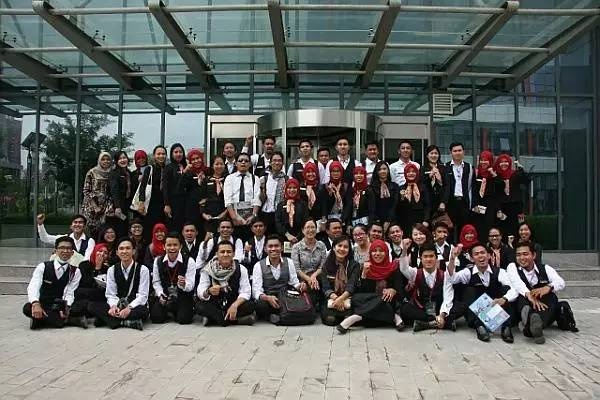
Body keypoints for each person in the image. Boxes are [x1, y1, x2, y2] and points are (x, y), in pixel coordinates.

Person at [446, 242, 518, 343]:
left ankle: (506, 327)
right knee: (469, 290)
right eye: (476, 254)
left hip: (496, 309)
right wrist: (452, 259)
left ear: (489, 256)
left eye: (483, 253)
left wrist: (504, 299)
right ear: (472, 259)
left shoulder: (500, 272)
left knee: (506, 289)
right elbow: (452, 279)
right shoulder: (468, 272)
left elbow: (514, 289)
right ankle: (479, 326)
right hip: (476, 314)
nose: (480, 256)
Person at [336, 239, 407, 333]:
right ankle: (393, 316)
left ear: (386, 253)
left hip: (388, 301)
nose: (377, 254)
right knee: (356, 298)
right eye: (374, 251)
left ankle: (356, 317)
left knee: (386, 299)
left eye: (381, 251)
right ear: (370, 253)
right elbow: (363, 293)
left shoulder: (393, 268)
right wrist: (364, 275)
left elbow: (401, 293)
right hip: (377, 304)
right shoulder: (367, 267)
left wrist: (393, 290)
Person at [507, 241, 566, 344]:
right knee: (521, 296)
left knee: (551, 297)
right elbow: (517, 282)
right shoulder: (512, 267)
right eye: (518, 255)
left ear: (534, 255)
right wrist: (529, 295)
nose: (522, 258)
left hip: (541, 303)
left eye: (525, 254)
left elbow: (561, 282)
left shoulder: (545, 268)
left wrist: (548, 287)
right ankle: (531, 321)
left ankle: (532, 327)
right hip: (524, 302)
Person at [398, 240, 462, 331]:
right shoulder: (415, 273)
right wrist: (404, 250)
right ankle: (443, 323)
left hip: (440, 309)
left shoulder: (445, 275)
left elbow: (448, 297)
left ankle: (427, 324)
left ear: (436, 258)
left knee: (461, 306)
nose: (428, 259)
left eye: (431, 256)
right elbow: (403, 269)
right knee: (405, 309)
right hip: (422, 310)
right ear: (421, 258)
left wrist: (442, 315)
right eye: (425, 256)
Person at [88, 237, 150, 330]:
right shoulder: (112, 270)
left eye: (128, 248)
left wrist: (129, 308)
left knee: (143, 310)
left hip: (134, 306)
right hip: (118, 305)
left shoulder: (143, 269)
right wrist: (113, 307)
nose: (124, 251)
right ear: (117, 252)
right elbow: (111, 294)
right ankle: (125, 322)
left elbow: (143, 295)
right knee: (92, 306)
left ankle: (110, 321)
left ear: (133, 251)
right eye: (121, 248)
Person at [23, 236, 82, 329]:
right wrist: (35, 303)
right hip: (43, 303)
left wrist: (65, 307)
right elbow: (34, 286)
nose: (65, 251)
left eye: (68, 248)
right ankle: (61, 320)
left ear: (72, 252)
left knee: (78, 308)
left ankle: (39, 319)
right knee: (27, 308)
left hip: (59, 304)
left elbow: (70, 292)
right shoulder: (43, 266)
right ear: (56, 250)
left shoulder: (75, 271)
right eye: (62, 248)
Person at [196, 241, 255, 326]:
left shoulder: (241, 269)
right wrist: (209, 291)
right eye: (222, 252)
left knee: (250, 305)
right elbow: (200, 291)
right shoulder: (207, 269)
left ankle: (214, 319)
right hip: (215, 304)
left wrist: (234, 305)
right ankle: (235, 320)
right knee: (199, 306)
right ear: (217, 254)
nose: (226, 254)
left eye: (229, 252)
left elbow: (246, 292)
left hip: (233, 301)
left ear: (233, 254)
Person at [252, 235, 307, 324]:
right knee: (260, 305)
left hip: (286, 298)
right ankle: (278, 316)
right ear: (265, 249)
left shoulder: (289, 262)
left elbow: (294, 282)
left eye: (276, 246)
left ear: (281, 248)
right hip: (268, 299)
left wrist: (301, 286)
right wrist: (267, 298)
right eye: (270, 246)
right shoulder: (258, 265)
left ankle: (278, 317)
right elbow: (256, 291)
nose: (273, 249)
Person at [150, 233, 197, 325]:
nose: (172, 248)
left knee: (184, 319)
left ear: (180, 246)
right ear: (164, 246)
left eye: (175, 245)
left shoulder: (189, 261)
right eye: (169, 245)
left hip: (182, 296)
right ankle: (170, 311)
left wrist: (184, 284)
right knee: (156, 318)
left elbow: (191, 285)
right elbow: (156, 282)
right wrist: (160, 294)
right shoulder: (158, 261)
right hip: (165, 296)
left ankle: (177, 311)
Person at [320, 236, 361, 326]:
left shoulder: (354, 265)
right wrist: (336, 299)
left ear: (349, 250)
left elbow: (351, 286)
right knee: (330, 320)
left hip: (349, 298)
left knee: (353, 321)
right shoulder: (326, 265)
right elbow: (326, 287)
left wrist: (341, 298)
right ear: (334, 247)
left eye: (346, 247)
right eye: (339, 246)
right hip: (331, 298)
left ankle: (345, 316)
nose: (342, 249)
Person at [223, 152, 262, 242]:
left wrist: (253, 216)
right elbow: (228, 200)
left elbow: (257, 199)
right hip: (234, 217)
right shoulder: (230, 178)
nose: (243, 162)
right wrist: (234, 217)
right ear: (236, 163)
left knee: (249, 243)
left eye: (246, 161)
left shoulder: (255, 178)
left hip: (250, 218)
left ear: (250, 164)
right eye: (240, 161)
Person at [291, 219, 327, 308]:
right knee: (310, 290)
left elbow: (323, 265)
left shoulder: (321, 245)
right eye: (307, 227)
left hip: (319, 277)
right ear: (303, 230)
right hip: (303, 279)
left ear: (316, 229)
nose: (310, 230)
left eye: (313, 227)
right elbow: (297, 269)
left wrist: (314, 276)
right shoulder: (296, 247)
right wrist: (309, 279)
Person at [442, 142, 474, 239]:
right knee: (449, 229)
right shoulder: (445, 167)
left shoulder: (469, 167)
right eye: (455, 151)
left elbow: (472, 187)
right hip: (450, 202)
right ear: (451, 153)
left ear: (463, 152)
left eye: (459, 150)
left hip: (464, 202)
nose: (457, 153)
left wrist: (472, 204)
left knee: (464, 229)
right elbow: (444, 187)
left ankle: (462, 247)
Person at [71, 243, 110, 322]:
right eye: (100, 251)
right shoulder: (84, 265)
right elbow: (86, 283)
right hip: (85, 294)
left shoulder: (107, 269)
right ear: (94, 251)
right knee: (81, 293)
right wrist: (97, 268)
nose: (102, 254)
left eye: (105, 253)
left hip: (98, 296)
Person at [494, 154, 531, 238]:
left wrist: (521, 170)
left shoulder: (515, 174)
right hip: (501, 208)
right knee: (502, 230)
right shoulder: (496, 175)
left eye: (506, 162)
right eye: (501, 162)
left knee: (515, 230)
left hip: (515, 207)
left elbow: (526, 181)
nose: (504, 164)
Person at [138, 145, 167, 242]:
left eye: (163, 154)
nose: (161, 156)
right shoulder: (149, 169)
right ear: (154, 156)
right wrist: (141, 201)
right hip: (151, 205)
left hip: (164, 205)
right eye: (158, 154)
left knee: (162, 230)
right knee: (150, 230)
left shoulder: (168, 169)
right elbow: (142, 186)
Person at [81, 151, 113, 235]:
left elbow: (112, 191)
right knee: (90, 231)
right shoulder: (92, 172)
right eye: (103, 159)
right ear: (99, 160)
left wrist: (109, 206)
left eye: (108, 159)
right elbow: (86, 190)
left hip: (105, 207)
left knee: (103, 232)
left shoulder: (112, 173)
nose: (106, 161)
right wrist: (95, 206)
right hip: (91, 206)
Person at [471, 150, 499, 237]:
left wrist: (493, 174)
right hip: (478, 205)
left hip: (490, 207)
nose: (483, 162)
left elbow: (500, 187)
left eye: (486, 160)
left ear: (490, 161)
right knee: (478, 228)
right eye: (481, 160)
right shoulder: (476, 173)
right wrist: (474, 204)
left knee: (489, 228)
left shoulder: (495, 173)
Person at [178, 148, 208, 230]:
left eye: (198, 158)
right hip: (192, 208)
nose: (196, 161)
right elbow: (180, 187)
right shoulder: (188, 174)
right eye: (193, 159)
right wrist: (185, 171)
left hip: (207, 208)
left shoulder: (208, 171)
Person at [198, 155, 228, 234]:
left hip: (225, 216)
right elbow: (202, 199)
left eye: (221, 164)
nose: (219, 166)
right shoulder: (207, 180)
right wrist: (204, 214)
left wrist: (225, 213)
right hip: (209, 216)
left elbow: (231, 199)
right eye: (217, 164)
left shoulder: (228, 180)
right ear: (212, 166)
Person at [397, 163, 431, 233]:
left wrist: (426, 220)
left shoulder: (423, 187)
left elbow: (428, 205)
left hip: (420, 220)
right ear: (405, 174)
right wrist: (402, 198)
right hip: (405, 221)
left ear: (417, 173)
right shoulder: (401, 188)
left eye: (413, 171)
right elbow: (398, 207)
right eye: (408, 172)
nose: (411, 173)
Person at [259, 151, 287, 234]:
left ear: (282, 163)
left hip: (282, 215)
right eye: (274, 160)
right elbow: (260, 199)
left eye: (279, 161)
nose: (277, 163)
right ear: (270, 163)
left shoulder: (287, 179)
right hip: (266, 214)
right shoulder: (263, 179)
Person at [275, 178, 308, 246]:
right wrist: (288, 235)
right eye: (289, 188)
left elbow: (305, 222)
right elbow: (278, 222)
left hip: (300, 238)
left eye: (294, 188)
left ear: (298, 189)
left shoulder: (303, 204)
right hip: (284, 238)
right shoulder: (280, 205)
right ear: (286, 189)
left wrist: (297, 237)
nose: (292, 190)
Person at [108, 150, 133, 237]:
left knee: (125, 227)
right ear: (116, 161)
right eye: (120, 159)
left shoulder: (128, 173)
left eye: (124, 158)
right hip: (118, 207)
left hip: (127, 205)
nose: (123, 160)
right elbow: (114, 191)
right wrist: (117, 207)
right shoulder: (114, 173)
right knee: (120, 229)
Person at [368, 161, 399, 227]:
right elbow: (371, 207)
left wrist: (388, 220)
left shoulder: (395, 186)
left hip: (392, 220)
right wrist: (377, 221)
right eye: (379, 169)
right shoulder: (371, 187)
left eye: (384, 169)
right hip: (376, 221)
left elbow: (395, 204)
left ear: (388, 171)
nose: (382, 171)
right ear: (376, 172)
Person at [422, 145, 446, 214]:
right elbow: (421, 184)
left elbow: (447, 186)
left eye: (436, 153)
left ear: (438, 155)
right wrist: (429, 176)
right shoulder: (423, 168)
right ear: (427, 155)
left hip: (440, 203)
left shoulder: (444, 168)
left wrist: (443, 202)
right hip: (426, 203)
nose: (434, 155)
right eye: (431, 153)